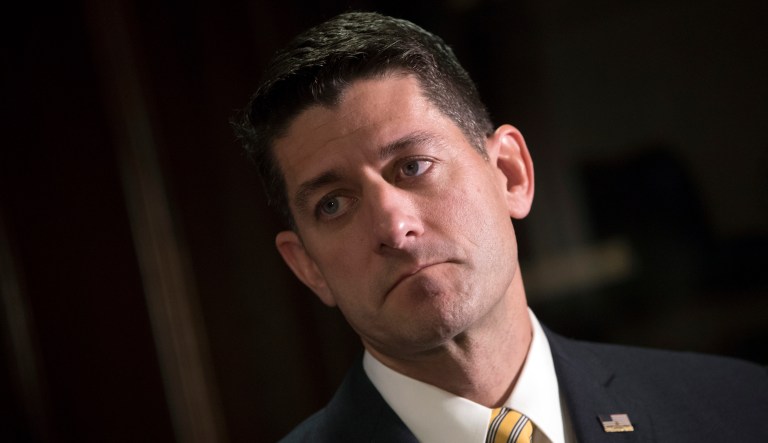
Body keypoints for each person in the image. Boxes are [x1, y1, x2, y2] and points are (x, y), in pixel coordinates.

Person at [233, 11, 767, 443]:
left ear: (510, 174)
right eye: (333, 204)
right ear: (308, 269)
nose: (394, 227)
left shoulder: (739, 408)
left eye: (413, 165)